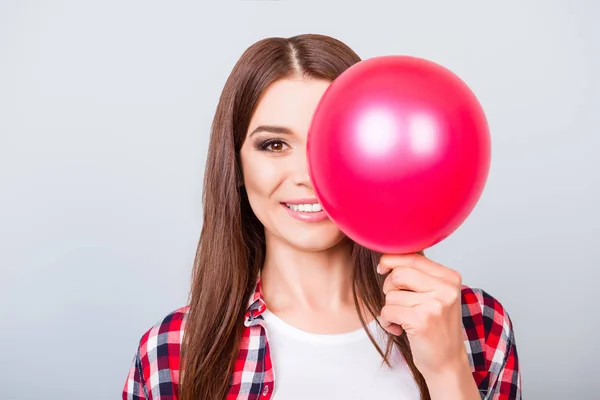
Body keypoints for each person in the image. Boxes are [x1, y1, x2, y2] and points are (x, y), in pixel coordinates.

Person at [122, 34, 522, 400]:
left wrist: (447, 370)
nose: (306, 176)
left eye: (329, 139)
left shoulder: (476, 324)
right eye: (275, 144)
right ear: (236, 167)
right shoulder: (172, 352)